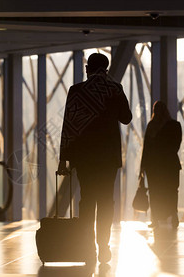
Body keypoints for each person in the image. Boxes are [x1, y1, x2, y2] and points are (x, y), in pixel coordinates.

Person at [57, 53, 132, 263]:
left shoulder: (77, 91)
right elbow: (126, 118)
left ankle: (88, 246)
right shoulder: (114, 90)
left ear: (88, 69)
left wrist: (63, 159)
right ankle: (104, 245)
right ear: (106, 70)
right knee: (106, 202)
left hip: (85, 158)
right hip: (108, 159)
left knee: (87, 200)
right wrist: (114, 91)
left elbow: (68, 127)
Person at [140, 101, 182, 230]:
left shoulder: (152, 126)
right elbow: (176, 145)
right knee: (172, 190)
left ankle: (155, 219)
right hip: (170, 165)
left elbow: (146, 148)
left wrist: (142, 167)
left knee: (154, 191)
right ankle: (173, 216)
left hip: (154, 166)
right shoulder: (175, 125)